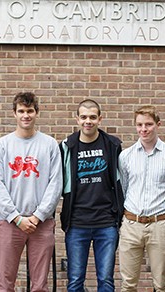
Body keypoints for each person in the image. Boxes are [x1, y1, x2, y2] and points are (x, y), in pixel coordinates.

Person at [0, 92, 63, 292]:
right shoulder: (2, 145)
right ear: (14, 113)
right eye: (21, 111)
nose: (26, 115)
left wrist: (38, 216)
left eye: (30, 111)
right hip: (10, 223)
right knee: (5, 284)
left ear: (37, 113)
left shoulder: (49, 145)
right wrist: (16, 218)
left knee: (40, 285)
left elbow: (55, 184)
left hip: (42, 223)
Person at [59, 99, 123, 292]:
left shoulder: (112, 145)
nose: (88, 121)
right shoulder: (66, 147)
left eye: (93, 117)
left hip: (106, 222)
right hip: (77, 222)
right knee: (75, 280)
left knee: (105, 280)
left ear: (100, 119)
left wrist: (117, 215)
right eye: (84, 117)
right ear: (77, 119)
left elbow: (120, 181)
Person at [118, 105, 165, 292]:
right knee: (128, 285)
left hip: (160, 225)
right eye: (139, 125)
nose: (143, 129)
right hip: (131, 224)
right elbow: (124, 189)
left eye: (148, 124)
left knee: (162, 285)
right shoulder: (126, 156)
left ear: (158, 125)